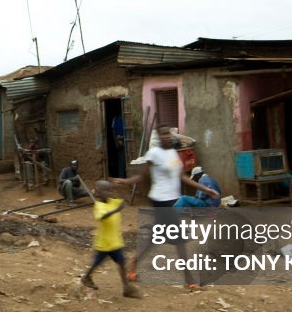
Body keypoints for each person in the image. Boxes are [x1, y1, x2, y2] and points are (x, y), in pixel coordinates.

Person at [112, 126, 212, 288]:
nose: (167, 136)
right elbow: (143, 176)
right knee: (179, 240)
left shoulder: (173, 154)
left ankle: (133, 262)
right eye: (163, 133)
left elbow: (182, 177)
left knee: (156, 237)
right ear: (159, 136)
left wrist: (205, 189)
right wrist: (125, 181)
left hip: (173, 200)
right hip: (160, 200)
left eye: (168, 133)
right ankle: (188, 279)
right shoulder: (154, 154)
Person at [79, 181, 140, 298]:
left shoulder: (113, 201)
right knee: (97, 263)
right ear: (99, 193)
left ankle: (126, 288)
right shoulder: (99, 206)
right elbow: (102, 217)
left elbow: (126, 199)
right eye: (105, 190)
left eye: (109, 190)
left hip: (115, 241)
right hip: (104, 242)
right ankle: (86, 277)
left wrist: (119, 187)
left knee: (121, 264)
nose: (108, 193)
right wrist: (116, 210)